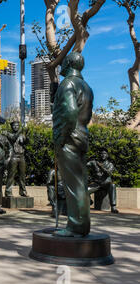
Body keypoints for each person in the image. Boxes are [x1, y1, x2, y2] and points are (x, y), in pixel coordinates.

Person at [52, 52, 93, 237]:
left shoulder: (67, 84)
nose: (60, 66)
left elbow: (69, 113)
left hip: (69, 138)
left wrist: (60, 137)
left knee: (72, 185)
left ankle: (76, 226)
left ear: (68, 63)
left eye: (62, 62)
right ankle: (82, 225)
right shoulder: (87, 87)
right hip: (82, 136)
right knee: (80, 184)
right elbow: (87, 115)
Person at [87, 149, 119, 213]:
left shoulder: (110, 164)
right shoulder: (94, 162)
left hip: (106, 183)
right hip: (96, 183)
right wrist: (88, 159)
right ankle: (89, 201)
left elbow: (108, 173)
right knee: (84, 189)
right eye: (101, 153)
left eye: (104, 153)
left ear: (107, 155)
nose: (102, 155)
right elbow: (84, 165)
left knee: (112, 185)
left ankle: (113, 206)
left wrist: (101, 166)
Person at [5, 120, 29, 197]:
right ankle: (8, 191)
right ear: (11, 127)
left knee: (22, 175)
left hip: (21, 156)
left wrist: (27, 135)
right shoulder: (9, 134)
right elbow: (14, 138)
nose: (16, 127)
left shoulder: (21, 135)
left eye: (17, 125)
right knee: (11, 175)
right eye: (14, 125)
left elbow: (26, 143)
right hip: (13, 156)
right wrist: (20, 131)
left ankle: (23, 191)